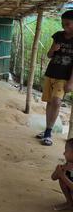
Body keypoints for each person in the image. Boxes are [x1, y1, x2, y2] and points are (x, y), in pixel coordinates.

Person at [37, 10, 73, 146]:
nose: (65, 27)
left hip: (63, 77)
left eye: (68, 24)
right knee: (50, 103)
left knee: (57, 101)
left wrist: (71, 82)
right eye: (63, 24)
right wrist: (54, 49)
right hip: (51, 73)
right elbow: (49, 55)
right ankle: (47, 130)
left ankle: (48, 132)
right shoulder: (58, 36)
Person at [51, 138, 73, 211]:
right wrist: (58, 172)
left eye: (66, 151)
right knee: (62, 178)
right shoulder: (68, 165)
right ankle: (70, 203)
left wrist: (62, 175)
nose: (64, 153)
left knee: (63, 177)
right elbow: (53, 178)